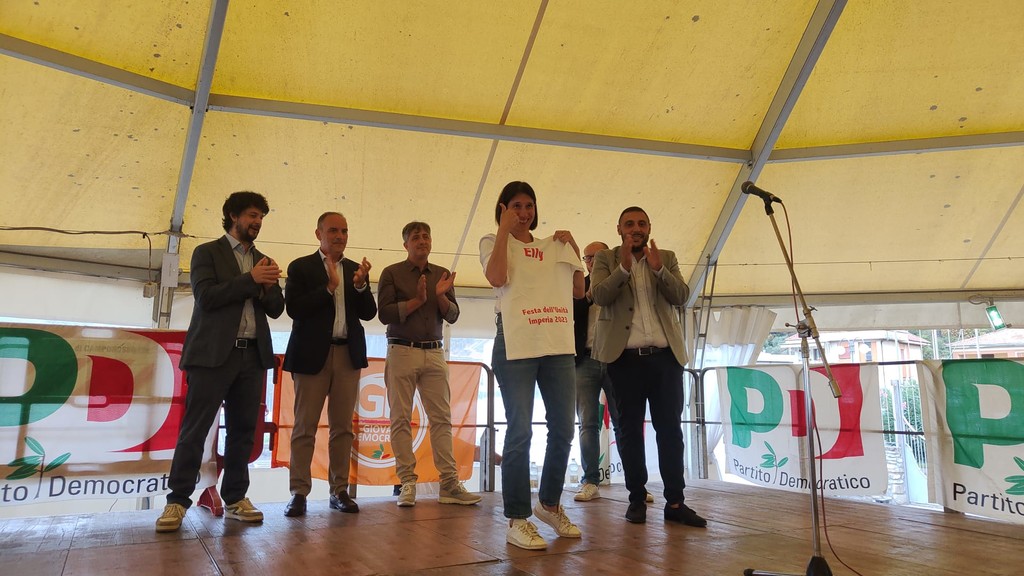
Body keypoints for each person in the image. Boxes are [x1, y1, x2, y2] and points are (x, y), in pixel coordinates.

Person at [156, 191, 284, 532]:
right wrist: (251, 281)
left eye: (261, 217)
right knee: (195, 430)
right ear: (233, 216)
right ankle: (177, 501)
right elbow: (206, 297)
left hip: (252, 356)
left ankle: (236, 498)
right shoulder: (207, 253)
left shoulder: (264, 260)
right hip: (211, 357)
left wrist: (267, 286)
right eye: (252, 215)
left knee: (243, 432)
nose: (257, 222)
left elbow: (276, 309)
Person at [479, 181, 585, 550]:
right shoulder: (492, 242)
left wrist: (574, 251)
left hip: (556, 341)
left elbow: (578, 291)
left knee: (564, 427)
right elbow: (497, 277)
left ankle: (550, 504)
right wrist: (503, 231)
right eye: (517, 206)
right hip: (515, 339)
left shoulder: (553, 246)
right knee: (520, 429)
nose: (525, 213)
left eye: (529, 206)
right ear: (503, 209)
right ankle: (517, 518)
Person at [590, 206, 707, 528]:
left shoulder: (665, 257)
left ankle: (675, 502)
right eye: (629, 224)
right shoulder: (605, 259)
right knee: (629, 432)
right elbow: (598, 296)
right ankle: (636, 499)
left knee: (670, 430)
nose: (636, 228)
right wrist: (623, 268)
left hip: (665, 359)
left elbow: (682, 296)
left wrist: (659, 271)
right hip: (623, 360)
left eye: (641, 223)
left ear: (649, 227)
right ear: (619, 229)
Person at [377, 221, 482, 507]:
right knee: (400, 418)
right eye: (416, 237)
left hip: (435, 351)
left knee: (442, 419)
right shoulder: (391, 273)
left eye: (426, 236)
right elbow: (384, 314)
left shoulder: (442, 274)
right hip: (401, 349)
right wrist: (417, 300)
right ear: (406, 244)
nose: (422, 240)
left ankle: (449, 484)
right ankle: (407, 483)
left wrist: (439, 297)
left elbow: (453, 315)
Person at [281, 212, 376, 517]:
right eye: (333, 230)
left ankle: (339, 490)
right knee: (304, 427)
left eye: (344, 231)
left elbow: (369, 313)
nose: (340, 236)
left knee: (343, 428)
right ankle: (299, 493)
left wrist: (360, 286)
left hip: (347, 355)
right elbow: (294, 308)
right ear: (318, 233)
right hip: (311, 356)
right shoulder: (301, 267)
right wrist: (328, 288)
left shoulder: (355, 269)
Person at [572, 241, 622, 502]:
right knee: (587, 422)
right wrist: (589, 295)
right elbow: (571, 312)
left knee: (624, 421)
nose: (591, 261)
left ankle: (636, 483)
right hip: (586, 358)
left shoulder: (621, 282)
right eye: (587, 257)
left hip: (617, 359)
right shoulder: (579, 286)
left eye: (596, 256)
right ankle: (590, 480)